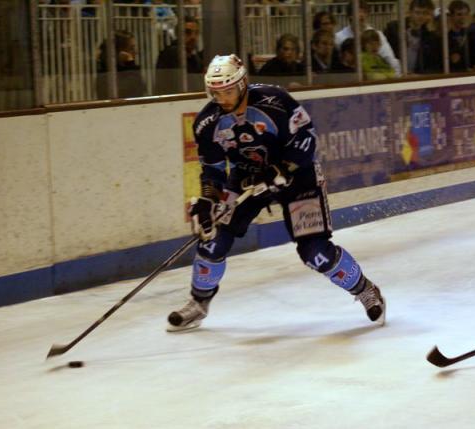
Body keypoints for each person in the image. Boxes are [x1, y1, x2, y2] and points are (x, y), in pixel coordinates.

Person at [167, 54, 386, 332]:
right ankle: (198, 303)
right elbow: (211, 169)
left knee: (314, 251)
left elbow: (307, 139)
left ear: (243, 83)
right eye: (215, 92)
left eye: (228, 90)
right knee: (212, 241)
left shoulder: (276, 101)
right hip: (247, 180)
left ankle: (365, 290)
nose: (222, 98)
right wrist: (209, 199)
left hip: (298, 178)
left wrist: (282, 167)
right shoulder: (207, 123)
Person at [335, 0, 401, 76]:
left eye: (364, 12)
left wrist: (396, 78)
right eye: (358, 12)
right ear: (350, 16)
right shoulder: (339, 37)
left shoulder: (377, 35)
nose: (362, 15)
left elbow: (389, 59)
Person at [154, 15, 204, 94]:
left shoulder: (195, 56)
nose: (193, 37)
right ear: (178, 34)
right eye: (187, 32)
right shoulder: (170, 54)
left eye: (196, 33)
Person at [96, 30, 146, 99]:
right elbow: (131, 88)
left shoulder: (126, 69)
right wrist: (130, 64)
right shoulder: (107, 73)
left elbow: (141, 89)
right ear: (120, 52)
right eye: (131, 48)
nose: (136, 52)